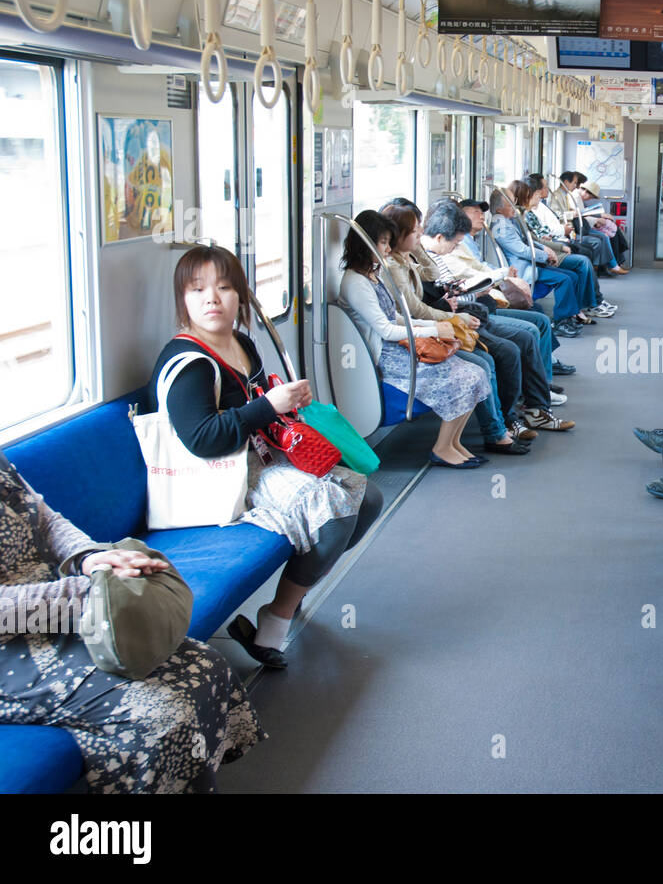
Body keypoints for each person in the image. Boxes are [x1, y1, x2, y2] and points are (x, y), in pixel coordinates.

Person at [147, 246, 383, 669]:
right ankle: (276, 616)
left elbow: (255, 406)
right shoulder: (189, 364)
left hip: (259, 455)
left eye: (223, 288)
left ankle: (294, 595)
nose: (211, 299)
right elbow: (202, 440)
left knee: (369, 500)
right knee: (334, 510)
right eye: (197, 289)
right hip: (221, 473)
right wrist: (269, 407)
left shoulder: (240, 342)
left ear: (241, 295)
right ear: (182, 300)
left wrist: (283, 404)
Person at [0, 452, 265, 792]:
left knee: (206, 664)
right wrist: (90, 593)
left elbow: (47, 521)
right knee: (158, 714)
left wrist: (92, 558)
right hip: (18, 641)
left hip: (60, 611)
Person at [377, 205, 536, 454]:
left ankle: (503, 424)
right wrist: (454, 319)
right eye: (415, 232)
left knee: (513, 343)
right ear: (399, 235)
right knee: (485, 362)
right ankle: (495, 431)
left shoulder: (406, 259)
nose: (421, 234)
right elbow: (415, 310)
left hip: (438, 322)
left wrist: (416, 246)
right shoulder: (394, 267)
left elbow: (432, 272)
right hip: (421, 333)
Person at [337, 212, 491, 468]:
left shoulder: (373, 275)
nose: (388, 248)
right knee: (465, 377)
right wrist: (428, 331)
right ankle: (442, 448)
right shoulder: (356, 283)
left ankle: (453, 442)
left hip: (399, 346)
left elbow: (397, 316)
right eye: (383, 242)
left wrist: (434, 325)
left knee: (475, 372)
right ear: (365, 243)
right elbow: (385, 330)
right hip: (386, 356)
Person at [422, 201, 573, 435]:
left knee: (532, 328)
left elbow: (460, 282)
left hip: (475, 309)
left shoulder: (443, 252)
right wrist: (485, 286)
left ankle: (536, 401)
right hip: (463, 316)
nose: (482, 217)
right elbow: (436, 302)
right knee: (512, 345)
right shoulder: (427, 259)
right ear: (441, 236)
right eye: (475, 213)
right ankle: (505, 422)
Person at [490, 187, 595, 339]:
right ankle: (561, 321)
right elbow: (521, 250)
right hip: (523, 267)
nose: (514, 207)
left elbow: (529, 241)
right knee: (564, 279)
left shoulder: (510, 220)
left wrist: (545, 249)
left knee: (572, 275)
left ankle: (569, 315)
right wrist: (544, 255)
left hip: (531, 262)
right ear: (499, 209)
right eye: (511, 204)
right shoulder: (500, 226)